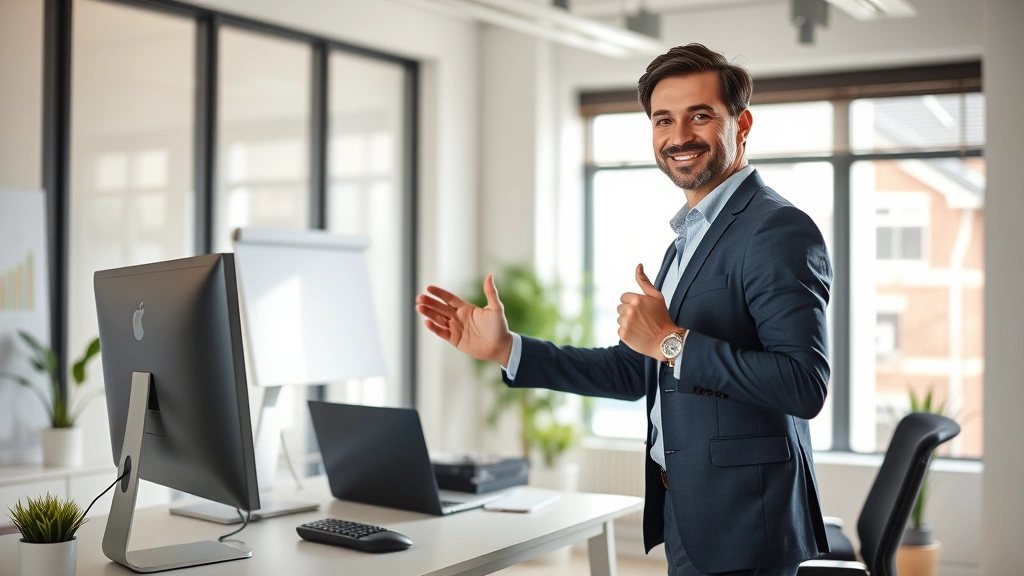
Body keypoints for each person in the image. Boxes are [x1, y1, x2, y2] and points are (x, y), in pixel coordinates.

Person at [416, 43, 832, 576]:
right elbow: (635, 368)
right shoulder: (689, 237)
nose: (679, 136)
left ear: (741, 123)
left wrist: (669, 341)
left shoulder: (775, 229)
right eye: (663, 120)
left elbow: (803, 384)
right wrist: (506, 348)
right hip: (689, 507)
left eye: (699, 116)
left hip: (746, 520)